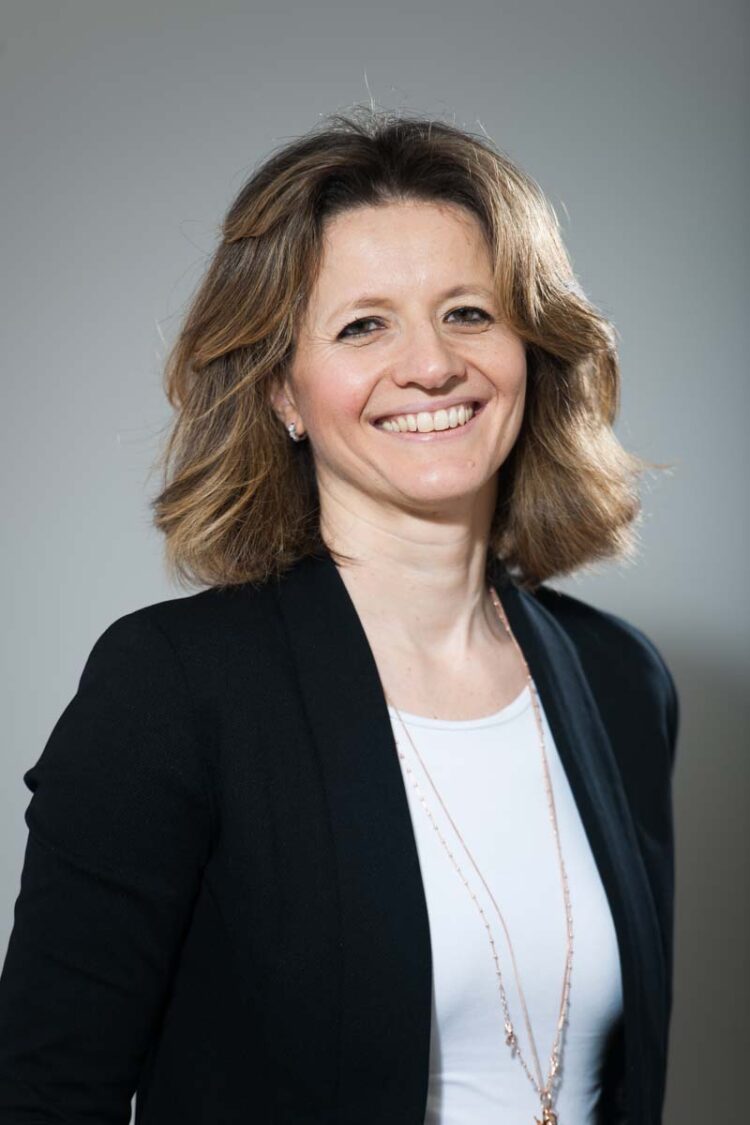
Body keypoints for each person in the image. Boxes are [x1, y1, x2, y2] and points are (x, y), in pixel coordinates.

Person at [0, 107, 679, 1125]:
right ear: (283, 389)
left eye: (468, 313)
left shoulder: (623, 681)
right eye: (365, 325)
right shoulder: (174, 688)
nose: (431, 366)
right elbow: (45, 1096)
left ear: (531, 348)